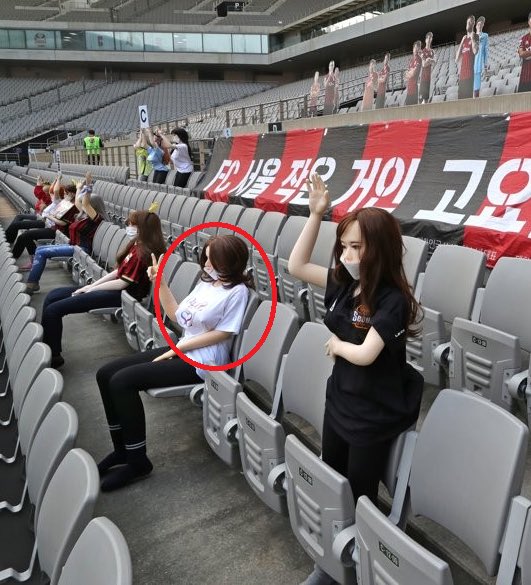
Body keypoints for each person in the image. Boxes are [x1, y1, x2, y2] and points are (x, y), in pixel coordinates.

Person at [289, 174, 423, 585]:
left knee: (361, 493)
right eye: (343, 246)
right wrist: (315, 216)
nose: (346, 255)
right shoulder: (346, 285)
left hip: (374, 411)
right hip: (342, 400)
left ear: (378, 250)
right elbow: (295, 266)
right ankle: (334, 562)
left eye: (356, 247)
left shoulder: (392, 300)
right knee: (333, 480)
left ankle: (359, 566)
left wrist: (338, 346)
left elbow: (365, 354)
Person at [94, 234, 253, 492]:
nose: (207, 264)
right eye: (206, 258)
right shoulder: (206, 283)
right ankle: (121, 450)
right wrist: (161, 282)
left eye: (214, 260)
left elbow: (224, 333)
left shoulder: (238, 292)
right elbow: (177, 316)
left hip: (203, 360)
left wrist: (179, 348)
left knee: (122, 382)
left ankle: (137, 461)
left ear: (231, 262)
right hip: (182, 350)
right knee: (105, 374)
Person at [41, 208, 166, 369]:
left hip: (122, 296)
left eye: (133, 224)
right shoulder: (136, 244)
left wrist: (92, 290)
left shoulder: (143, 253)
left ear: (143, 228)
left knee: (53, 310)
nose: (128, 226)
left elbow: (122, 283)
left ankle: (53, 356)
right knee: (53, 295)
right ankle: (47, 344)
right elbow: (117, 272)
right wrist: (91, 285)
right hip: (113, 290)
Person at [25, 174, 107, 294]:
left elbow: (85, 204)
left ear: (93, 207)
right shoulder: (82, 215)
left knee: (42, 252)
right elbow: (81, 202)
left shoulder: (96, 219)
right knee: (40, 249)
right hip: (73, 245)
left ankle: (32, 283)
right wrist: (80, 188)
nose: (80, 205)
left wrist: (89, 185)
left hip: (81, 249)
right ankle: (33, 282)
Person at [10, 177, 77, 265]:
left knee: (25, 236)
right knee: (24, 236)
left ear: (71, 194)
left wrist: (50, 216)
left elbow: (63, 223)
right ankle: (20, 259)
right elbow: (53, 191)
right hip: (54, 229)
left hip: (58, 232)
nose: (64, 195)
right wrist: (56, 180)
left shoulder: (72, 206)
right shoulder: (64, 203)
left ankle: (20, 260)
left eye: (65, 193)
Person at [5, 177, 52, 244]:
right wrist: (39, 185)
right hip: (38, 215)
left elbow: (39, 193)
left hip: (42, 219)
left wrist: (38, 185)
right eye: (43, 190)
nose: (44, 192)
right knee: (19, 217)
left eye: (45, 191)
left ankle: (8, 239)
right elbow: (38, 194)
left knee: (17, 225)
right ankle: (9, 238)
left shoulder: (48, 199)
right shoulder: (44, 198)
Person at [456, 15, 477, 100]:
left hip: (470, 74)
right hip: (462, 76)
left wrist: (472, 39)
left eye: (470, 22)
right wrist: (461, 42)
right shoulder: (464, 39)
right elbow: (457, 58)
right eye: (467, 23)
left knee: (468, 100)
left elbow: (475, 51)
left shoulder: (475, 36)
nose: (468, 24)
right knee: (460, 100)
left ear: (473, 24)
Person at [473, 17, 489, 98]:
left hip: (479, 64)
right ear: (476, 26)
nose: (479, 26)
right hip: (471, 65)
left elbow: (486, 52)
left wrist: (486, 67)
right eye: (478, 24)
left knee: (477, 89)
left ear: (483, 25)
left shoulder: (485, 36)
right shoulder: (472, 36)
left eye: (481, 24)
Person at [404, 41, 422, 106]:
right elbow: (406, 75)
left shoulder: (419, 59)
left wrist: (410, 72)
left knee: (413, 112)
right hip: (409, 88)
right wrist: (410, 71)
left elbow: (413, 74)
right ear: (413, 48)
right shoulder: (411, 60)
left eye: (418, 48)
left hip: (414, 89)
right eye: (415, 48)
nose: (416, 50)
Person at [517, 11, 531, 94]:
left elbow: (524, 53)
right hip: (525, 77)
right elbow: (521, 54)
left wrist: (527, 52)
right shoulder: (524, 38)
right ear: (529, 22)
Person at [419, 32, 435, 104]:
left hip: (429, 77)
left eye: (430, 38)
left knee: (426, 99)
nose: (429, 39)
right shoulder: (422, 51)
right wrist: (428, 61)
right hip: (423, 77)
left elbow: (435, 62)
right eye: (427, 38)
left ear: (431, 39)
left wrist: (429, 60)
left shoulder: (432, 51)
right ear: (425, 40)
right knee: (421, 100)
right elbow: (424, 64)